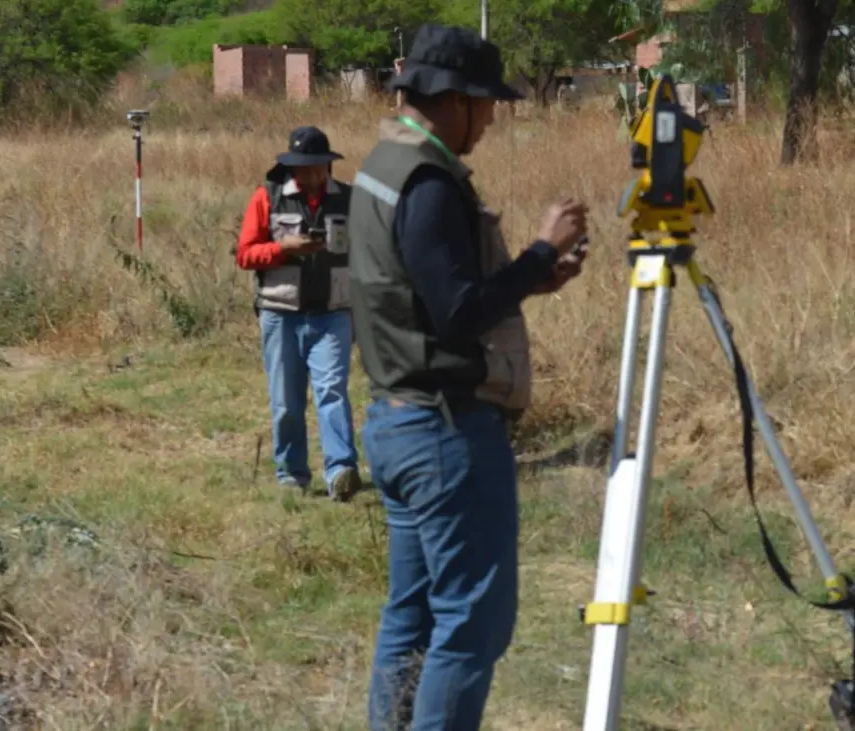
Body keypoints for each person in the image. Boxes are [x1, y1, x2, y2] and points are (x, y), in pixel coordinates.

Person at [347, 23, 590, 731]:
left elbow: (426, 293)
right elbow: (456, 312)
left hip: (398, 418)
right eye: (485, 104)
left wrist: (530, 280)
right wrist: (542, 245)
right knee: (473, 622)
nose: (489, 119)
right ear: (451, 99)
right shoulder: (428, 181)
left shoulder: (383, 165)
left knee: (414, 611)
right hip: (443, 428)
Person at [235, 125, 363, 502]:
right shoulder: (267, 197)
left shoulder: (352, 200)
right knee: (286, 401)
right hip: (280, 313)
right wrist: (283, 249)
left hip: (334, 312)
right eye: (301, 169)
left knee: (332, 392)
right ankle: (292, 475)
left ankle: (340, 470)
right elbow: (244, 254)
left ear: (328, 166)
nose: (309, 176)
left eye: (316, 168)